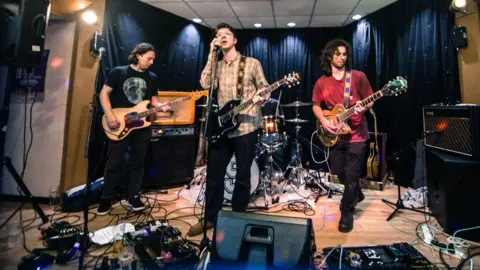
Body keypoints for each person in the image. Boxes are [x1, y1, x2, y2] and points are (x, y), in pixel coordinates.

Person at [187, 23, 269, 236]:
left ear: (235, 40)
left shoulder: (251, 63)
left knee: (242, 175)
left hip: (247, 126)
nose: (222, 37)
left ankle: (237, 218)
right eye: (218, 35)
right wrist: (210, 55)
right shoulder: (216, 65)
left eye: (226, 34)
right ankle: (211, 218)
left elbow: (265, 89)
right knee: (214, 175)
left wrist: (261, 98)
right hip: (222, 128)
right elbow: (205, 83)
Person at [97, 43, 170, 215]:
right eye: (149, 58)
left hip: (140, 125)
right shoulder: (119, 72)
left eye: (153, 59)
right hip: (119, 123)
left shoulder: (152, 77)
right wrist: (109, 115)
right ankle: (106, 198)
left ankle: (134, 196)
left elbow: (152, 100)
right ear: (138, 55)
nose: (152, 62)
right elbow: (104, 94)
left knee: (138, 163)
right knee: (113, 162)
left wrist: (160, 106)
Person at [312, 39, 373, 233]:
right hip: (336, 135)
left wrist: (365, 105)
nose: (342, 57)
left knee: (353, 175)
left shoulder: (358, 77)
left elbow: (370, 100)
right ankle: (355, 193)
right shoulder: (322, 82)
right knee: (339, 171)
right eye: (338, 54)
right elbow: (315, 105)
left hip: (357, 134)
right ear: (329, 56)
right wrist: (324, 120)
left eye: (344, 54)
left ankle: (347, 211)